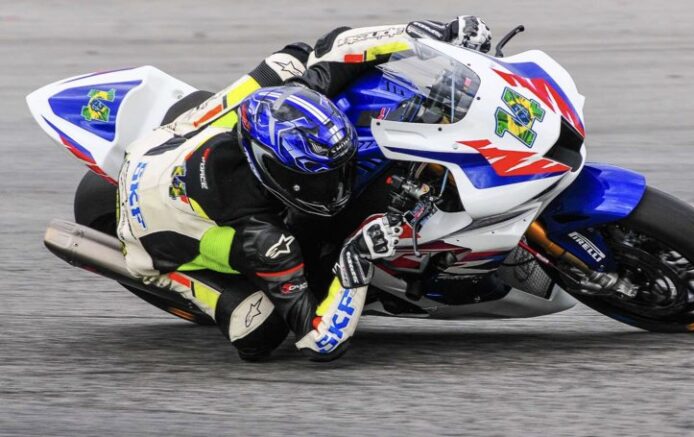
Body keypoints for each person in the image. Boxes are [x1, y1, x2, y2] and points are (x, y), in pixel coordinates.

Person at [116, 16, 492, 361]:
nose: (339, 183)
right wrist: (356, 259)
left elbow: (335, 46)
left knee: (291, 61)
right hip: (147, 234)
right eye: (324, 178)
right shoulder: (264, 240)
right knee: (260, 331)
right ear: (279, 176)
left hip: (168, 142)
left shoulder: (287, 96)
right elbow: (319, 340)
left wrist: (427, 36)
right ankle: (184, 280)